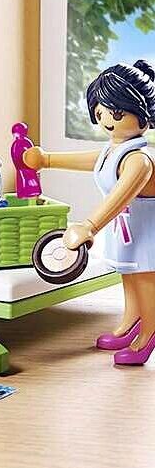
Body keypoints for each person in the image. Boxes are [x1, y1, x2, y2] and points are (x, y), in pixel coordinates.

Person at [24, 60, 155, 365]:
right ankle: (132, 321)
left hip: (147, 232)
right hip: (127, 230)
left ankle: (149, 333)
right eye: (100, 112)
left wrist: (89, 225)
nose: (107, 120)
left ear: (142, 113)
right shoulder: (114, 150)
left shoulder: (139, 160)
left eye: (117, 113)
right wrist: (47, 159)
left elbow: (120, 197)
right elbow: (92, 161)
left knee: (146, 279)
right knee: (129, 275)